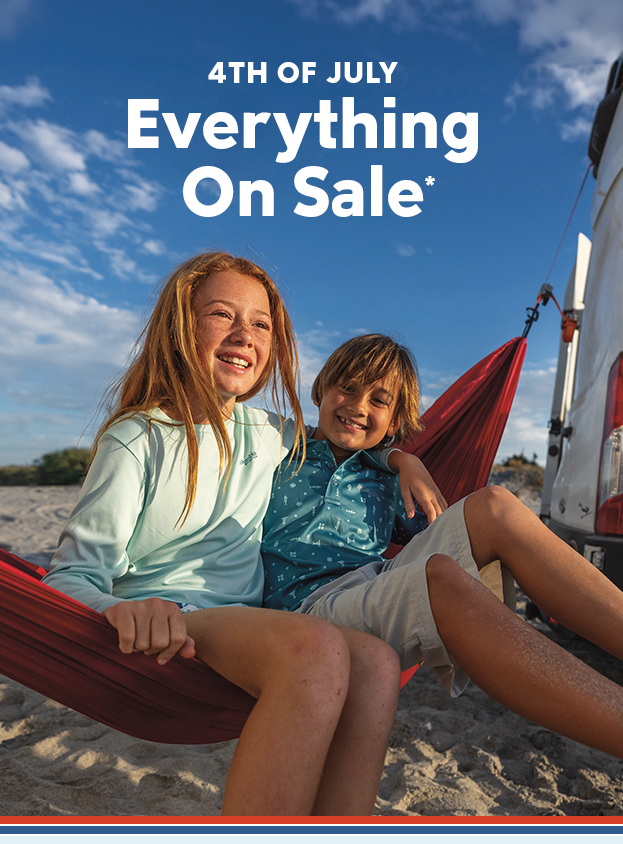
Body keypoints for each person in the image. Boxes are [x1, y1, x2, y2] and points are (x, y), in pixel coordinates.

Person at [44, 255, 444, 816]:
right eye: (222, 314)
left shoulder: (274, 435)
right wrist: (116, 608)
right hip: (175, 625)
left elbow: (349, 438)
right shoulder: (136, 439)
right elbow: (69, 577)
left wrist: (403, 458)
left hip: (252, 631)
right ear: (181, 325)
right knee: (317, 647)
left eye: (260, 323)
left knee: (376, 663)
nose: (244, 335)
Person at [262, 333, 623, 759]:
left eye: (379, 400)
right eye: (348, 387)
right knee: (442, 581)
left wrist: (401, 460)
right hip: (303, 616)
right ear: (321, 390)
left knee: (495, 505)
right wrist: (399, 457)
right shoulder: (279, 449)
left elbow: (440, 524)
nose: (359, 406)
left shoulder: (388, 480)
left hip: (370, 589)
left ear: (394, 423)